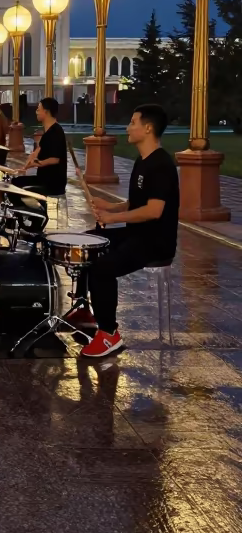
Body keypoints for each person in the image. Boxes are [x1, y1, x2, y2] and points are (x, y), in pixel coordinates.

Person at [68, 103, 180, 359]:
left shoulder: (161, 164)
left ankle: (109, 334)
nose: (128, 127)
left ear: (148, 128)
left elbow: (154, 211)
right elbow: (136, 203)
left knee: (102, 267)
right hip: (136, 234)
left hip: (155, 242)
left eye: (133, 122)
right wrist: (111, 206)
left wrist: (113, 216)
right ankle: (85, 309)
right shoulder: (142, 161)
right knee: (88, 243)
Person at [15, 98, 67, 196]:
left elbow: (55, 159)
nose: (36, 112)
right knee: (16, 181)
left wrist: (37, 163)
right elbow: (37, 152)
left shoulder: (56, 131)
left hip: (53, 183)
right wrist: (24, 168)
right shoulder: (48, 132)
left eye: (39, 109)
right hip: (43, 179)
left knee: (19, 190)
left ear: (46, 112)